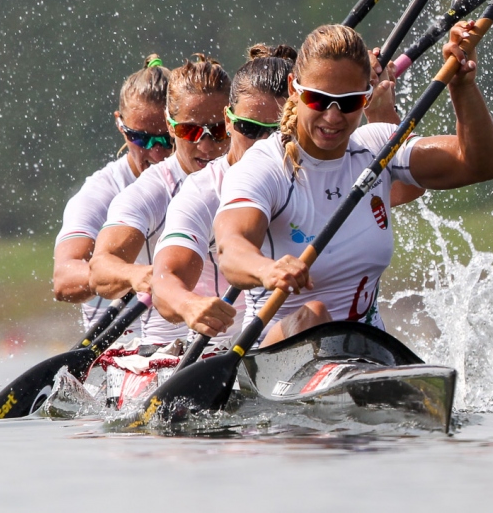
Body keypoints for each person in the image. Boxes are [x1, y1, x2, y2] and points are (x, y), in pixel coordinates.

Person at [214, 22, 493, 347]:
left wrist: (463, 87)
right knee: (315, 312)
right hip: (271, 351)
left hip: (363, 350)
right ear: (295, 88)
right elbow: (230, 249)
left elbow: (480, 164)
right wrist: (267, 270)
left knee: (337, 330)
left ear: (366, 96)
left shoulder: (378, 148)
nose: (333, 117)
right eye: (319, 99)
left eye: (349, 102)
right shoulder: (264, 166)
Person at [150, 43, 424, 341]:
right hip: (227, 352)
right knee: (313, 315)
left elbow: (405, 188)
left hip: (324, 340)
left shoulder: (318, 174)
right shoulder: (205, 191)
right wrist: (190, 306)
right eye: (250, 129)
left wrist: (378, 110)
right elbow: (165, 284)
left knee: (315, 317)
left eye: (277, 129)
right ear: (228, 121)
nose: (265, 143)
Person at [88, 55, 231, 344]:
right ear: (170, 124)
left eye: (216, 130)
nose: (205, 145)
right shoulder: (152, 190)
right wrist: (137, 275)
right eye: (190, 131)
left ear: (231, 120)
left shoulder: (255, 174)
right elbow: (99, 269)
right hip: (169, 351)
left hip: (249, 346)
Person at [52, 56, 173, 331]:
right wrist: (130, 275)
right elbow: (63, 279)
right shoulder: (101, 192)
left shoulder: (204, 182)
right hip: (119, 348)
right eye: (141, 138)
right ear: (121, 125)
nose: (156, 152)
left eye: (167, 139)